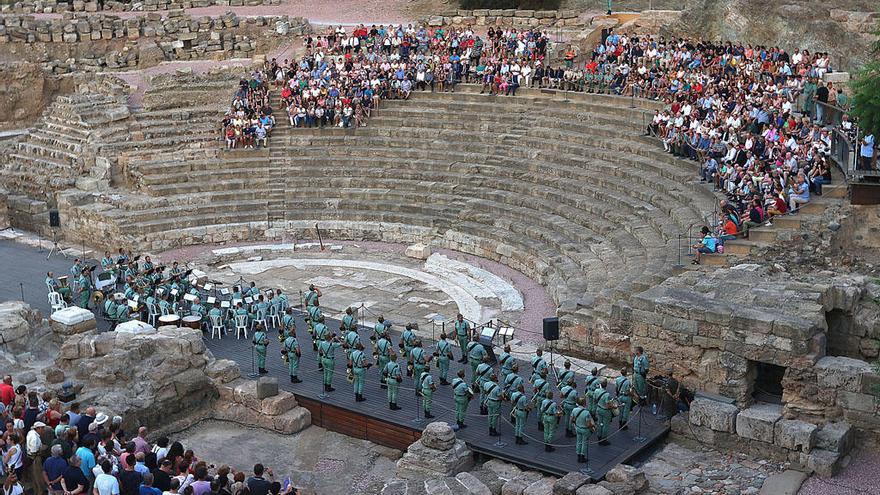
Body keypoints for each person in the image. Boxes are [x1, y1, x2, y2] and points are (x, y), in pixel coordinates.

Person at [571, 397, 595, 464]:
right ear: (584, 403)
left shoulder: (574, 410)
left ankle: (578, 455)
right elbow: (588, 425)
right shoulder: (586, 413)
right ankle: (582, 457)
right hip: (585, 430)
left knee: (578, 441)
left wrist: (576, 424)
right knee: (584, 443)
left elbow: (571, 419)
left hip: (578, 428)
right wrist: (593, 425)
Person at [593, 378, 612, 446]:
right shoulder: (607, 395)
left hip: (598, 408)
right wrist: (613, 407)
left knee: (599, 423)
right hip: (605, 411)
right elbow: (607, 406)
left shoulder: (596, 391)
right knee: (605, 425)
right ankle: (603, 439)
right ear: (606, 385)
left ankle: (599, 436)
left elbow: (594, 400)